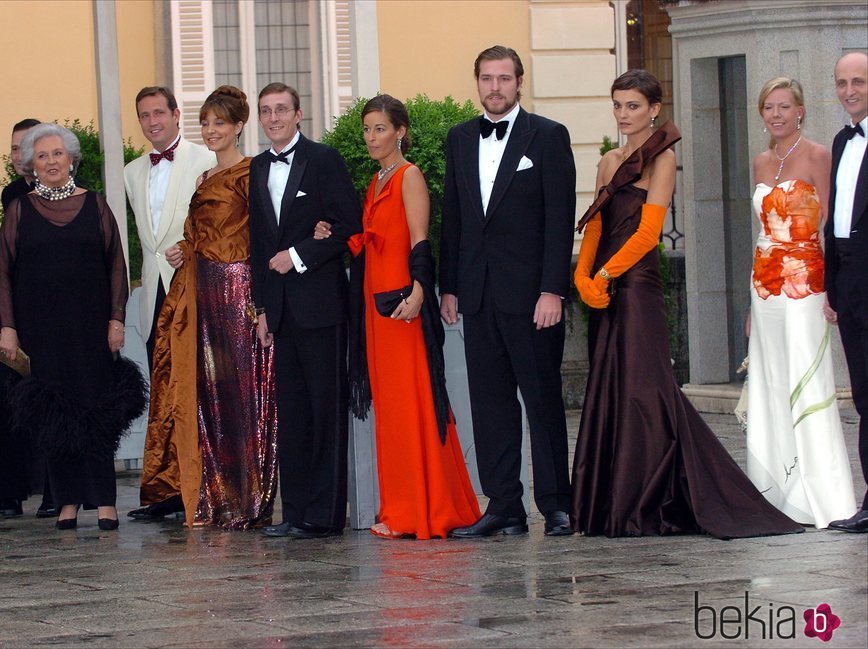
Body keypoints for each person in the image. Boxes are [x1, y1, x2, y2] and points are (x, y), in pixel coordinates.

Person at [571, 70, 804, 539]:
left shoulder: (663, 158)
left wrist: (605, 273)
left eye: (633, 106)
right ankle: (609, 504)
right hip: (604, 287)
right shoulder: (607, 160)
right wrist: (580, 274)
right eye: (617, 105)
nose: (623, 115)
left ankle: (650, 501)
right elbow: (595, 225)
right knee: (611, 386)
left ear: (654, 109)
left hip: (637, 287)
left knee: (645, 390)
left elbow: (648, 234)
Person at [314, 95, 481, 539]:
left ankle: (427, 511)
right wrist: (328, 232)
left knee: (415, 406)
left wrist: (421, 291)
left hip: (403, 307)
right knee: (391, 411)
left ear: (401, 131)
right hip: (375, 311)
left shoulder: (410, 177)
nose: (371, 137)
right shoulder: (375, 182)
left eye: (380, 129)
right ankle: (399, 509)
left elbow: (420, 241)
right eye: (367, 129)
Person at [439, 45, 575, 538]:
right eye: (486, 79)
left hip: (532, 298)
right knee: (489, 402)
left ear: (520, 82)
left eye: (504, 78)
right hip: (476, 295)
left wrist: (552, 290)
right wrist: (449, 287)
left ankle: (557, 504)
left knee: (541, 400)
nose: (495, 87)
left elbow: (559, 220)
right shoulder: (458, 139)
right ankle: (504, 506)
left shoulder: (548, 136)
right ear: (476, 83)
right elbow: (453, 218)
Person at [0, 123, 146, 531]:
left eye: (56, 154)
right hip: (40, 330)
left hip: (91, 327)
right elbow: (3, 273)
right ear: (31, 165)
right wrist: (8, 329)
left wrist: (117, 318)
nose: (50, 162)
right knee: (55, 415)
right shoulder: (19, 210)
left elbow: (117, 262)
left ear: (71, 159)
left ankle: (104, 503)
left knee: (95, 412)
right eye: (41, 156)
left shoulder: (95, 205)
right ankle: (66, 502)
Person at [149, 86, 277, 529]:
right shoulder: (205, 179)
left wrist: (262, 303)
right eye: (205, 123)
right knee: (210, 394)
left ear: (239, 126)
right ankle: (216, 494)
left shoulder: (251, 172)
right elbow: (202, 230)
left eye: (219, 123)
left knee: (243, 392)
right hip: (203, 290)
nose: (211, 131)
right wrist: (186, 248)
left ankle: (249, 498)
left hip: (239, 291)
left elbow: (262, 237)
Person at [248, 82, 361, 539]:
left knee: (325, 413)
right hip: (279, 312)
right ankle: (293, 513)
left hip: (321, 307)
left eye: (281, 110)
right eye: (265, 111)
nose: (273, 118)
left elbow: (348, 226)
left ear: (299, 115)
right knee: (291, 414)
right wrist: (261, 309)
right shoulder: (257, 167)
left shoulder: (324, 160)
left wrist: (297, 255)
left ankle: (323, 516)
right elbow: (258, 244)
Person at [745, 77, 856, 528]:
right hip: (765, 287)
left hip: (806, 284)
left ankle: (822, 496)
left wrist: (833, 286)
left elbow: (833, 225)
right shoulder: (760, 161)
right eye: (769, 107)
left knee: (807, 381)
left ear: (801, 110)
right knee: (770, 383)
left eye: (784, 106)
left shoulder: (817, 156)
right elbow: (759, 233)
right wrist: (750, 304)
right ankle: (775, 491)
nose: (776, 114)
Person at [125, 86, 216, 522]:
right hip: (154, 293)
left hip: (194, 286)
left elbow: (221, 222)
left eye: (159, 112)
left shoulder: (206, 159)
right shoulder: (130, 173)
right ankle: (165, 490)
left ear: (177, 115)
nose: (152, 121)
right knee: (162, 394)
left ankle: (199, 489)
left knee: (195, 389)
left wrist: (191, 246)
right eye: (144, 115)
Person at [826, 51, 868, 534]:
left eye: (858, 81)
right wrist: (833, 286)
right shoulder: (842, 140)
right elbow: (837, 217)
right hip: (850, 284)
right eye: (842, 83)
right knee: (864, 396)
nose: (850, 90)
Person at [0, 118, 41, 213]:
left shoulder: (67, 190)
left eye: (25, 148)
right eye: (15, 149)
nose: (19, 157)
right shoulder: (10, 193)